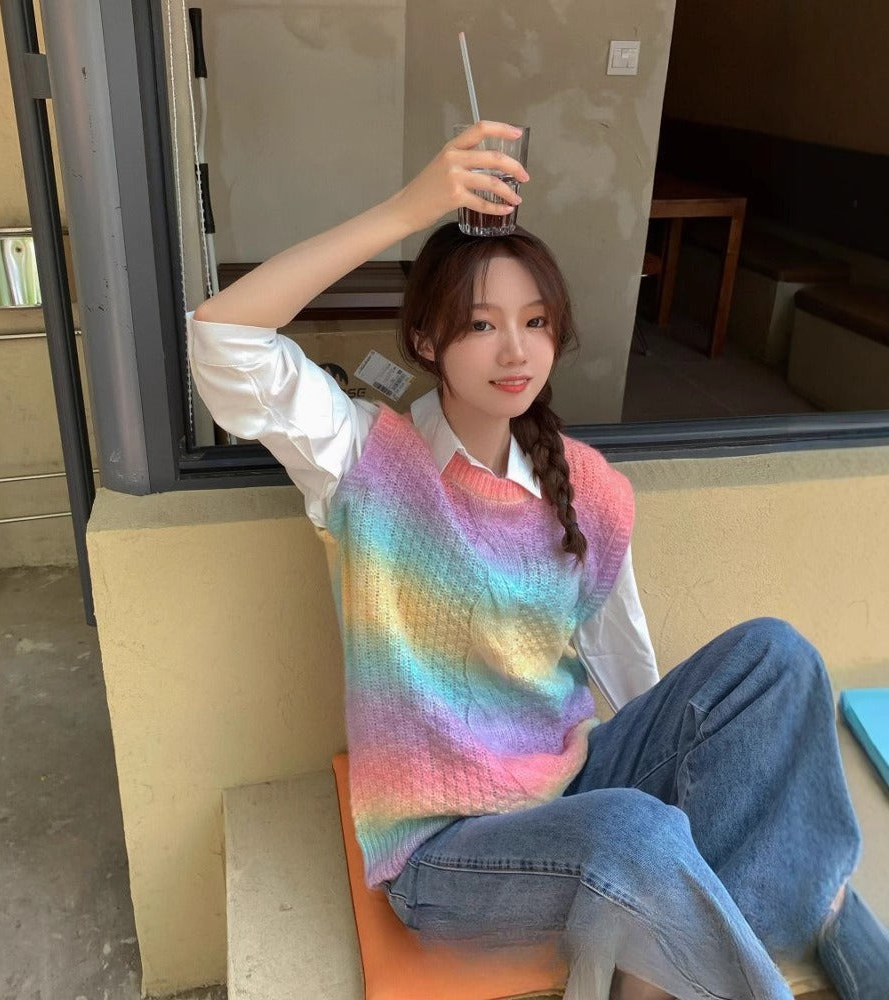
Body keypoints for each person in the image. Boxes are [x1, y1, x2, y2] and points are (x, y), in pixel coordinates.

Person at [189, 121, 888, 1000]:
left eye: (535, 322)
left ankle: (704, 936)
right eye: (481, 324)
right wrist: (407, 210)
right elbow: (224, 339)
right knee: (639, 838)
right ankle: (735, 942)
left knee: (778, 658)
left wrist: (676, 799)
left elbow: (626, 667)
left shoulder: (587, 487)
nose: (515, 350)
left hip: (571, 791)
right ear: (426, 341)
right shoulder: (364, 462)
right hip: (447, 854)